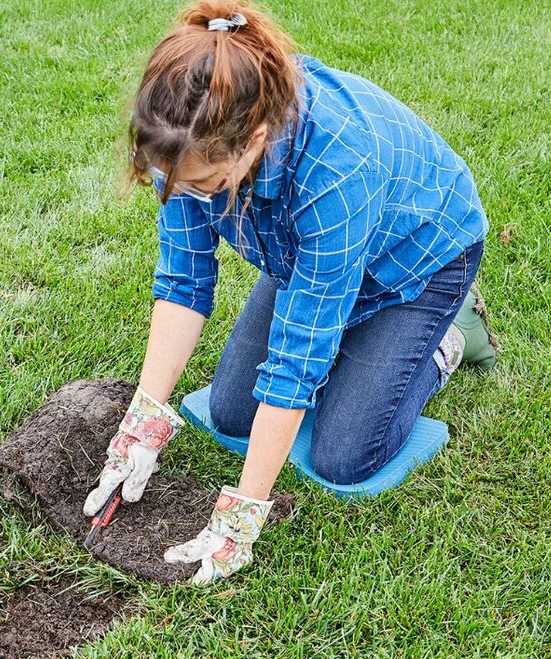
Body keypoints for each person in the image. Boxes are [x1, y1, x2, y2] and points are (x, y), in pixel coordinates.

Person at [83, 0, 499, 585]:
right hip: (307, 258)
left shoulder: (336, 170)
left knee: (346, 455)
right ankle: (363, 343)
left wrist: (242, 517)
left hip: (417, 262)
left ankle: (449, 337)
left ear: (254, 142)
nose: (191, 197)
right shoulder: (182, 144)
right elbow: (183, 279)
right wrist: (143, 420)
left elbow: (296, 359)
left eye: (206, 187)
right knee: (230, 412)